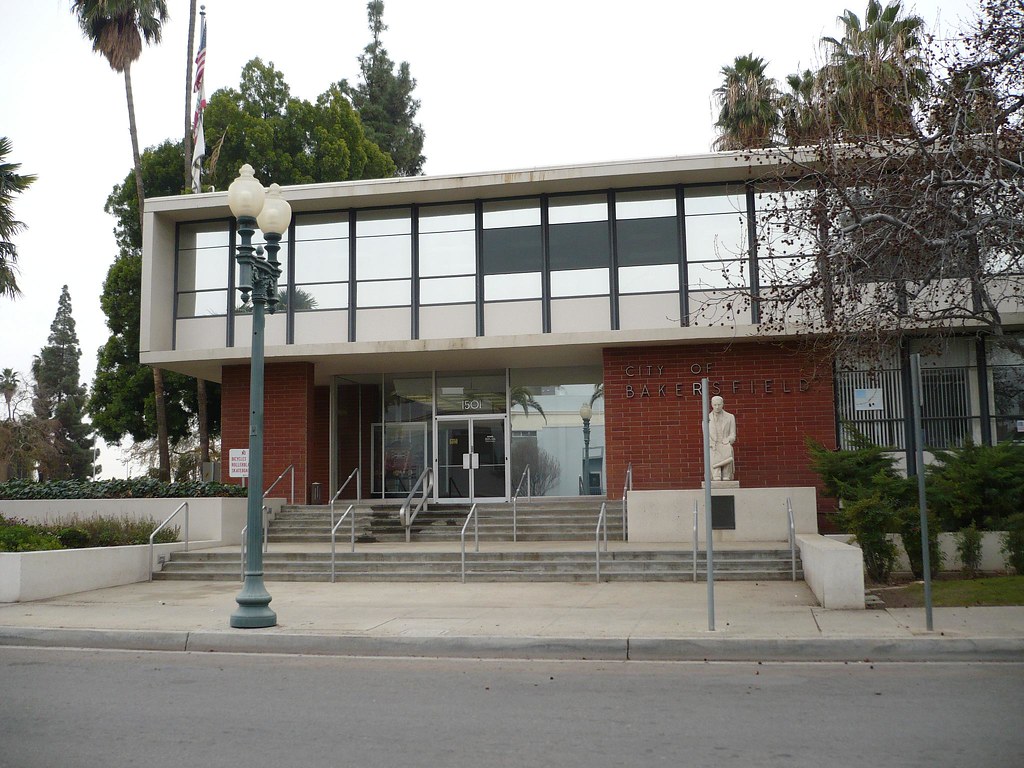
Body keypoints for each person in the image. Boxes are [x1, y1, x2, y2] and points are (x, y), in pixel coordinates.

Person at [708, 395, 736, 481]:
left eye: (719, 404)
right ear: (711, 405)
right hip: (714, 445)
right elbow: (706, 435)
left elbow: (733, 434)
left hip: (725, 444)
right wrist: (711, 443)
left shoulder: (730, 417)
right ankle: (716, 474)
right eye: (715, 405)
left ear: (723, 404)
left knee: (726, 478)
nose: (717, 407)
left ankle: (726, 474)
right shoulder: (707, 418)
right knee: (716, 478)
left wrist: (728, 440)